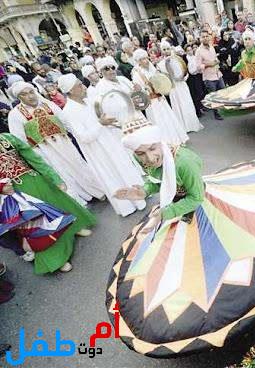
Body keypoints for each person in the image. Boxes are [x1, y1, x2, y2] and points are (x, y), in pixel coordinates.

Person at [0, 133, 96, 274]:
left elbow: (33, 158)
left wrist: (53, 177)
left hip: (34, 179)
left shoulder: (7, 137)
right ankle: (56, 258)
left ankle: (73, 229)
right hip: (13, 193)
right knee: (37, 222)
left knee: (59, 203)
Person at [58, 74, 146, 217]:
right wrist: (100, 124)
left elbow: (104, 116)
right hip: (98, 151)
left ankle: (139, 196)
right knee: (113, 176)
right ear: (71, 91)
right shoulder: (68, 111)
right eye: (79, 85)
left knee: (125, 168)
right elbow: (84, 137)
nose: (84, 87)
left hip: (110, 142)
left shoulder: (89, 101)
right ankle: (127, 206)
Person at [7, 82, 104, 205]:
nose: (30, 96)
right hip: (44, 150)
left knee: (79, 166)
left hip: (64, 144)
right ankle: (78, 202)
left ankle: (97, 191)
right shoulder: (15, 114)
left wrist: (79, 136)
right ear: (19, 98)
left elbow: (66, 121)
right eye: (24, 94)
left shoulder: (48, 104)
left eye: (31, 92)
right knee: (61, 173)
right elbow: (19, 140)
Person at [131, 49, 189, 145]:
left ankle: (176, 140)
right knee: (159, 122)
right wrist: (146, 89)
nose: (145, 61)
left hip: (160, 99)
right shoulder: (137, 74)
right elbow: (139, 91)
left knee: (168, 119)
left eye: (146, 58)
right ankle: (167, 143)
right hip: (151, 102)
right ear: (138, 61)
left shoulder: (152, 68)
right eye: (142, 59)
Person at [157, 41, 203, 133]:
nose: (166, 51)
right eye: (164, 49)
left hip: (182, 85)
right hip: (173, 88)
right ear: (161, 51)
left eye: (167, 49)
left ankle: (191, 124)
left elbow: (184, 71)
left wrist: (183, 78)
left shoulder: (178, 59)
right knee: (178, 105)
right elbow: (163, 78)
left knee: (187, 104)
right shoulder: (160, 64)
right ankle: (183, 127)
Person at [196, 30, 226, 120]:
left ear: (209, 37)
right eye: (203, 37)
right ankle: (217, 114)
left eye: (206, 36)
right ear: (200, 38)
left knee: (223, 93)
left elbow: (215, 59)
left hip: (218, 74)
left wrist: (217, 61)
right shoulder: (198, 51)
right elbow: (198, 67)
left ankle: (223, 110)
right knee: (213, 97)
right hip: (209, 78)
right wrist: (208, 64)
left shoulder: (212, 47)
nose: (205, 38)